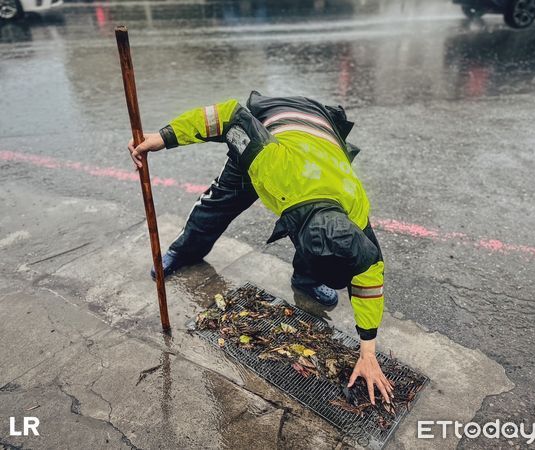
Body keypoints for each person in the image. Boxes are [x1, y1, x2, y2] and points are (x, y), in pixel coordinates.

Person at [127, 91, 393, 404]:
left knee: (321, 242)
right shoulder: (270, 162)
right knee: (217, 205)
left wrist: (368, 352)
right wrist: (164, 137)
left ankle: (307, 279)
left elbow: (368, 277)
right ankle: (184, 252)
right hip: (272, 134)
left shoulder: (355, 209)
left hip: (317, 140)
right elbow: (228, 116)